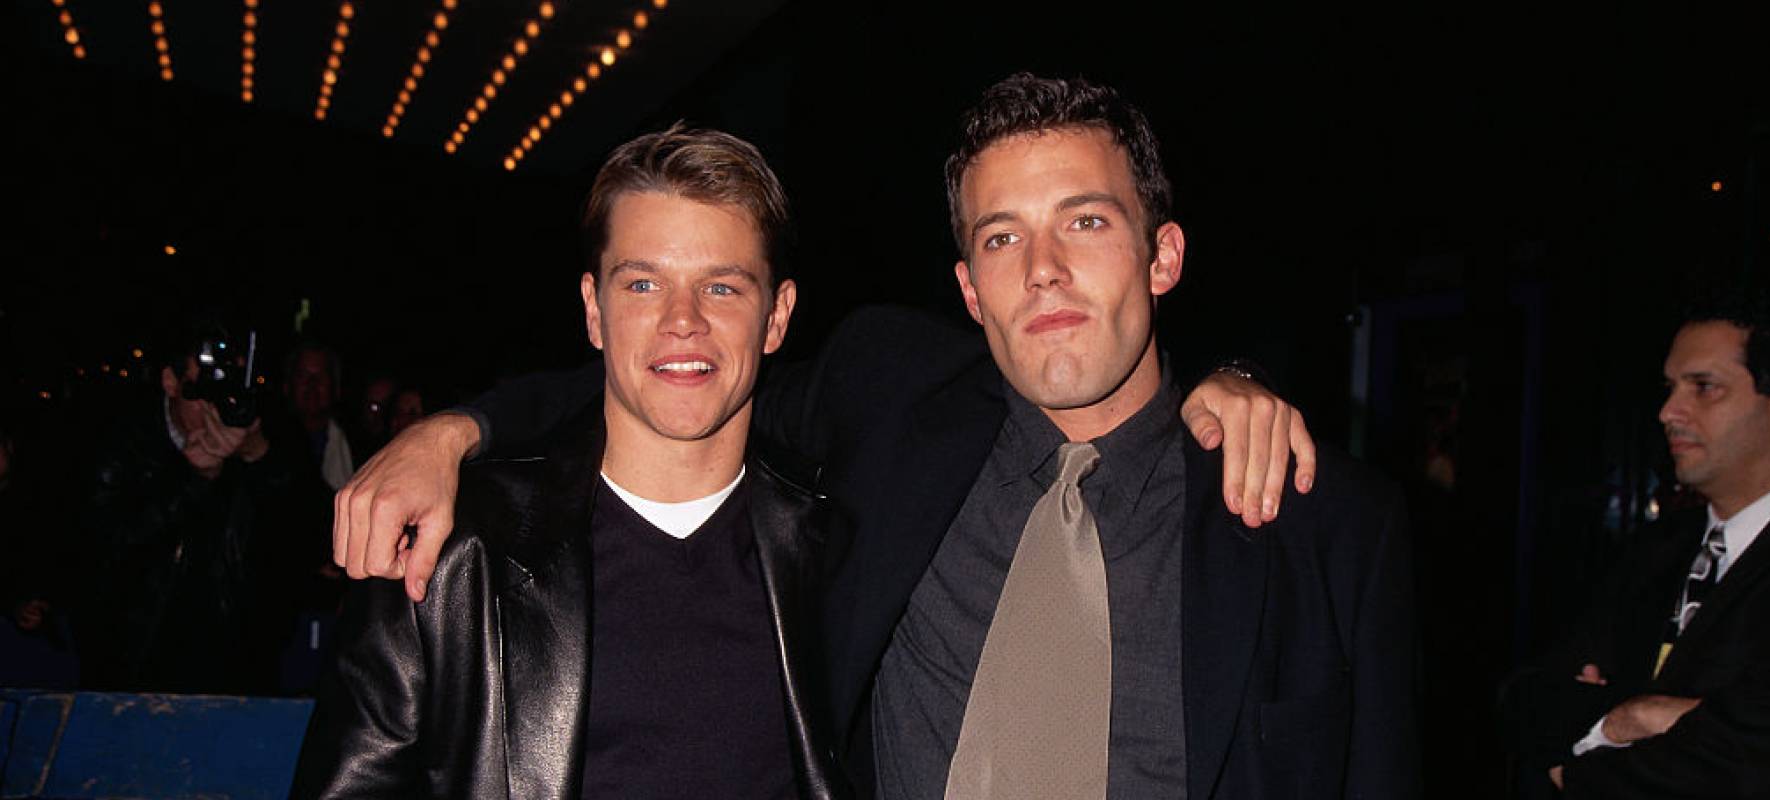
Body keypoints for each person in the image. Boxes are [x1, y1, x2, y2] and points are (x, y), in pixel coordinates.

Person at [334, 74, 1414, 799]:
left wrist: (1245, 377)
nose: (1043, 268)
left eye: (1085, 221)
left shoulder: (1326, 528)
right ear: (967, 286)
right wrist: (452, 429)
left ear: (1163, 254)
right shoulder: (890, 404)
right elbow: (676, 369)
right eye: (1003, 236)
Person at [293, 126, 843, 798]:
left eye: (722, 288)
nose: (682, 320)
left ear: (777, 316)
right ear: (594, 309)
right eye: (643, 285)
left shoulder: (834, 546)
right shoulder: (452, 551)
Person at [1500, 289, 1770, 798]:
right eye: (1669, 387)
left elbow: (1764, 764)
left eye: (1703, 388)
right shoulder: (1657, 549)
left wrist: (1599, 740)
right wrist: (1639, 717)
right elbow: (1525, 698)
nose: (1668, 412)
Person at [74, 315, 324, 694]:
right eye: (204, 388)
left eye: (227, 387)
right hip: (137, 670)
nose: (215, 403)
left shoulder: (271, 433)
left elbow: (315, 534)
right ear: (171, 382)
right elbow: (99, 556)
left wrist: (260, 457)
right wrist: (192, 480)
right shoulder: (121, 441)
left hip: (240, 671)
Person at [284, 341, 355, 491]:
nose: (312, 384)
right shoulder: (266, 442)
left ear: (335, 387)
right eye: (303, 376)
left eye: (321, 376)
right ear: (288, 385)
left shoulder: (356, 444)